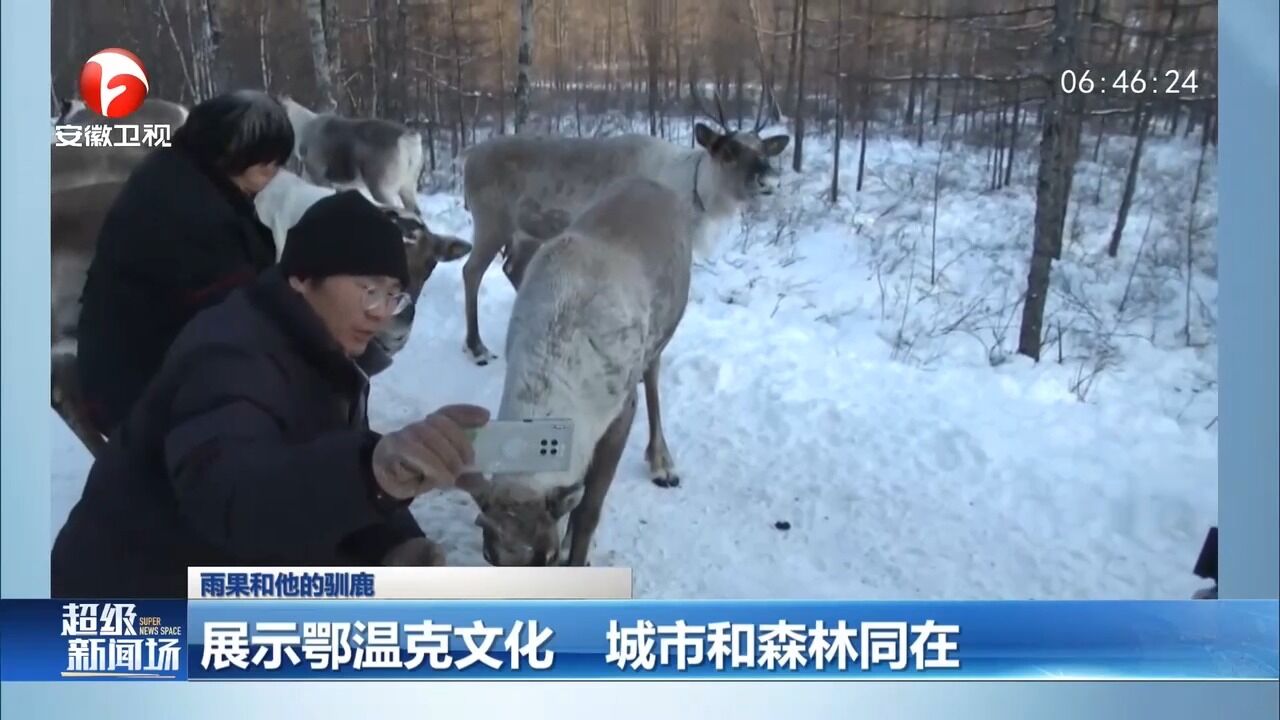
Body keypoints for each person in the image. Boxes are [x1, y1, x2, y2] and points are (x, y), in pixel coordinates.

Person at [51, 191, 490, 598]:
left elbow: (313, 471)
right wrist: (371, 473)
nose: (380, 313)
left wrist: (395, 543)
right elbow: (233, 500)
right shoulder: (230, 355)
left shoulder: (318, 350)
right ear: (301, 277)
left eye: (394, 296)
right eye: (368, 290)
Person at [75, 89, 350, 438]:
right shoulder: (195, 215)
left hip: (122, 371)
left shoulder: (181, 173)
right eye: (266, 162)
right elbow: (237, 315)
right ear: (230, 150)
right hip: (141, 392)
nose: (274, 173)